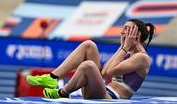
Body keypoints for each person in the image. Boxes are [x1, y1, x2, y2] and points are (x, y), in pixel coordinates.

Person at [26, 19, 155, 99]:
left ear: (136, 34)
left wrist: (124, 48)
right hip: (102, 90)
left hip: (110, 98)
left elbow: (110, 72)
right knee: (89, 45)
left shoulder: (142, 58)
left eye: (126, 29)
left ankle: (63, 92)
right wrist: (122, 47)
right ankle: (52, 78)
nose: (121, 32)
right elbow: (104, 72)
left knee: (88, 65)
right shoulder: (126, 52)